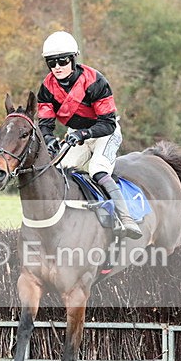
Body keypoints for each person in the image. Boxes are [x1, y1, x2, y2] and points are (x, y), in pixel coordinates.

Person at [36, 31, 142, 240]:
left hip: (105, 133)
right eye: (51, 62)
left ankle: (125, 218)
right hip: (77, 135)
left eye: (62, 61)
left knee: (97, 169)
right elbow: (45, 124)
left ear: (73, 59)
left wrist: (84, 133)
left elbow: (108, 123)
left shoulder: (95, 81)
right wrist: (48, 139)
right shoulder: (47, 88)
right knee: (59, 171)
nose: (57, 67)